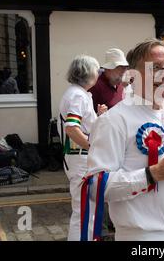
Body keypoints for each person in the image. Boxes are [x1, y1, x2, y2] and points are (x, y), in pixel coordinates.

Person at [84, 38, 164, 241]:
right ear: (132, 76)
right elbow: (95, 187)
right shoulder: (112, 121)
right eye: (154, 67)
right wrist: (153, 174)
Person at [57, 55, 107, 241]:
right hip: (81, 158)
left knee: (85, 210)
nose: (99, 73)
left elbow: (80, 125)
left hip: (78, 157)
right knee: (84, 211)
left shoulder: (78, 93)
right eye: (96, 70)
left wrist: (98, 116)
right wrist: (92, 146)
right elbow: (72, 128)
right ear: (88, 73)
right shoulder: (78, 95)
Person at [89, 48, 128, 112]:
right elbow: (87, 117)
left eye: (125, 67)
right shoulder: (95, 86)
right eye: (120, 67)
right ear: (109, 69)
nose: (124, 70)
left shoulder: (120, 83)